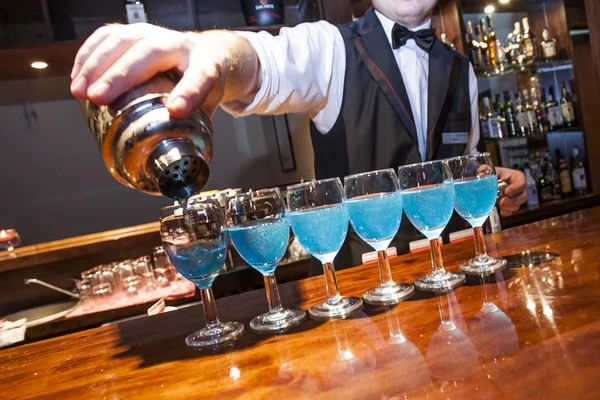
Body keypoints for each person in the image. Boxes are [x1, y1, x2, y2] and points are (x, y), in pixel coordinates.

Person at [70, 0, 527, 272]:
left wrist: (491, 185)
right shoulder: (330, 46)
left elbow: (462, 169)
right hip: (359, 290)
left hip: (454, 275)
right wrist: (205, 52)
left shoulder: (462, 70)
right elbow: (259, 61)